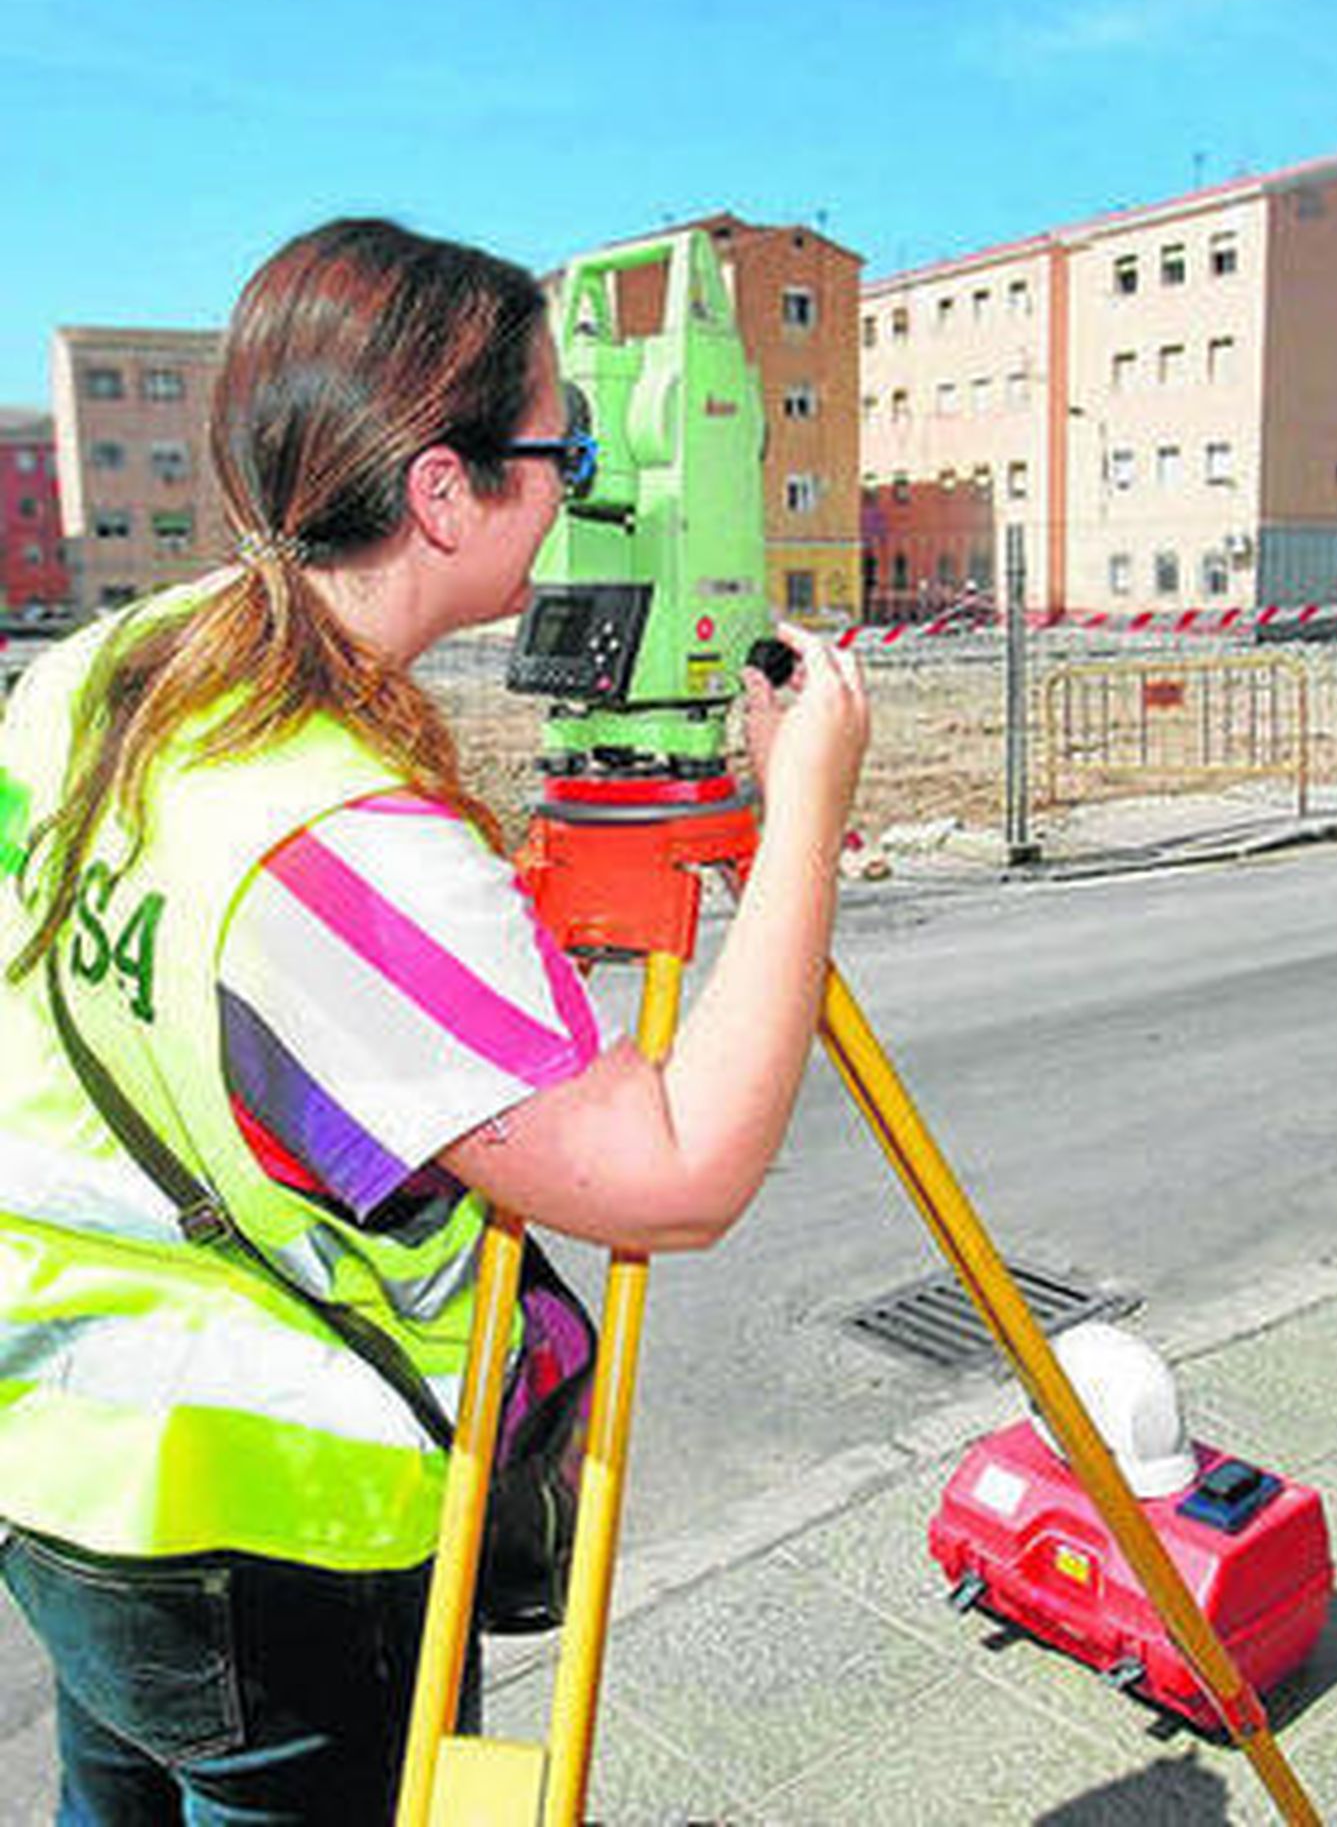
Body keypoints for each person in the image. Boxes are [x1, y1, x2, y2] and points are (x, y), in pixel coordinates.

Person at [0, 217, 868, 1824]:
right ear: (444, 492)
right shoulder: (349, 842)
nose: (584, 486)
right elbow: (676, 1173)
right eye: (567, 446)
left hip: (59, 1471)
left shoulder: (100, 672)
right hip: (275, 1545)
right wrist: (803, 809)